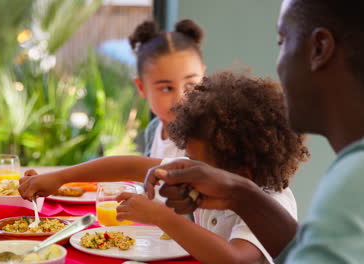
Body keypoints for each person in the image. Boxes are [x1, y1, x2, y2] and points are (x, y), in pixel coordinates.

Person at [144, 0, 364, 263]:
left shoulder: (351, 185)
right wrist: (238, 194)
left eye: (282, 40)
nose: (278, 63)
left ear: (319, 48)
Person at [19, 71, 309, 264]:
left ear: (242, 174)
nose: (187, 169)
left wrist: (162, 217)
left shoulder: (270, 205)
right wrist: (60, 177)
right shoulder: (204, 178)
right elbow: (132, 164)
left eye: (197, 165)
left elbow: (234, 259)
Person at [128, 19, 206, 158]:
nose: (180, 99)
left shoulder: (204, 136)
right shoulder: (153, 130)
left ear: (202, 76)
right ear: (142, 87)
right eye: (166, 88)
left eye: (190, 85)